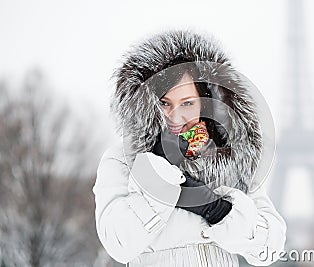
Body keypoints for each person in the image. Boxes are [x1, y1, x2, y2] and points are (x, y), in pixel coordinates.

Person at [93, 30, 286, 266]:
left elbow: (270, 249)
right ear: (147, 104)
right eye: (164, 103)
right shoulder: (122, 160)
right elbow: (119, 244)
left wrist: (219, 211)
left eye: (187, 103)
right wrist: (161, 179)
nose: (176, 116)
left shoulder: (231, 156)